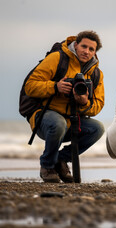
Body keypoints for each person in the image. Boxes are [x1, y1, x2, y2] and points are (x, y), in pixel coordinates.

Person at [25, 30, 105, 183]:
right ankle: (47, 166)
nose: (86, 51)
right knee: (59, 123)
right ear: (76, 45)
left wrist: (84, 102)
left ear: (95, 52)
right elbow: (30, 86)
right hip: (45, 117)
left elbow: (98, 105)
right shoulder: (57, 58)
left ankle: (60, 160)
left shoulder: (96, 74)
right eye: (84, 46)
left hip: (72, 120)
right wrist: (56, 87)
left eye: (91, 49)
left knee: (98, 128)